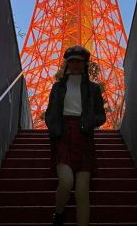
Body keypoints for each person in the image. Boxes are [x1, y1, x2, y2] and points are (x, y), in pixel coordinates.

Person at [44, 45, 106, 226]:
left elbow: (101, 115)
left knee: (82, 190)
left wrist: (89, 123)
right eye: (72, 61)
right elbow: (50, 113)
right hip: (63, 135)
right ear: (67, 64)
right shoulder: (58, 87)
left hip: (83, 135)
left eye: (79, 61)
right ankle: (59, 213)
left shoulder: (93, 89)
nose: (76, 64)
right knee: (66, 180)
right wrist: (54, 127)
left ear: (84, 64)